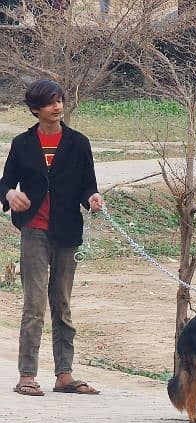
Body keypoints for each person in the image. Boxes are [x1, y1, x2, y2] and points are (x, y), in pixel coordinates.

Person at [0, 79, 103, 396]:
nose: (57, 106)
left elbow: (88, 185)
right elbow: (5, 183)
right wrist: (10, 196)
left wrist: (94, 199)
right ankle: (27, 375)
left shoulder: (78, 143)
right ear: (35, 110)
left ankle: (64, 375)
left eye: (59, 100)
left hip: (67, 231)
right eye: (49, 102)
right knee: (34, 305)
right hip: (34, 231)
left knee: (62, 304)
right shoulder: (22, 144)